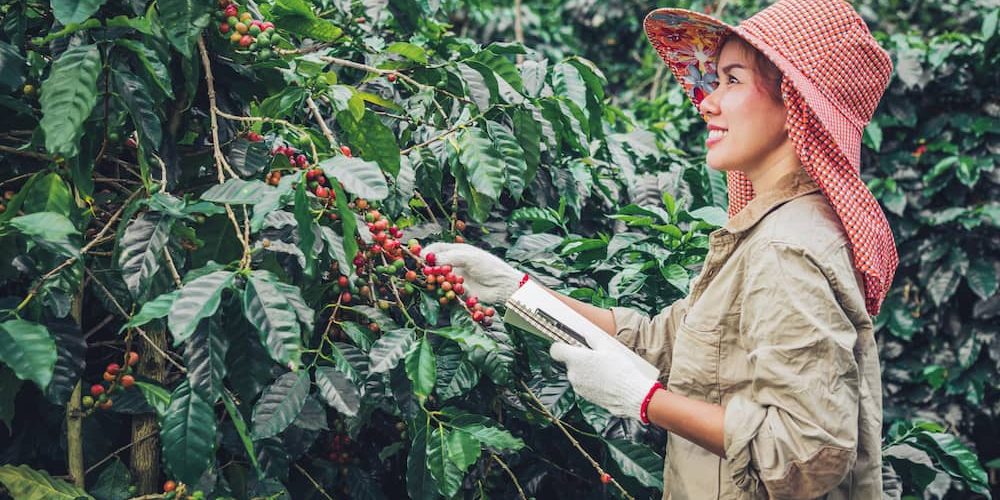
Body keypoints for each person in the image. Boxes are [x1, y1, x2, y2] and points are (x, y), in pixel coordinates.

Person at [424, 0, 898, 497]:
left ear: (794, 104)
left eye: (733, 80)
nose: (708, 102)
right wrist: (519, 293)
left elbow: (808, 451)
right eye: (715, 81)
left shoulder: (786, 247)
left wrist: (646, 400)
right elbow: (665, 341)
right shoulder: (769, 230)